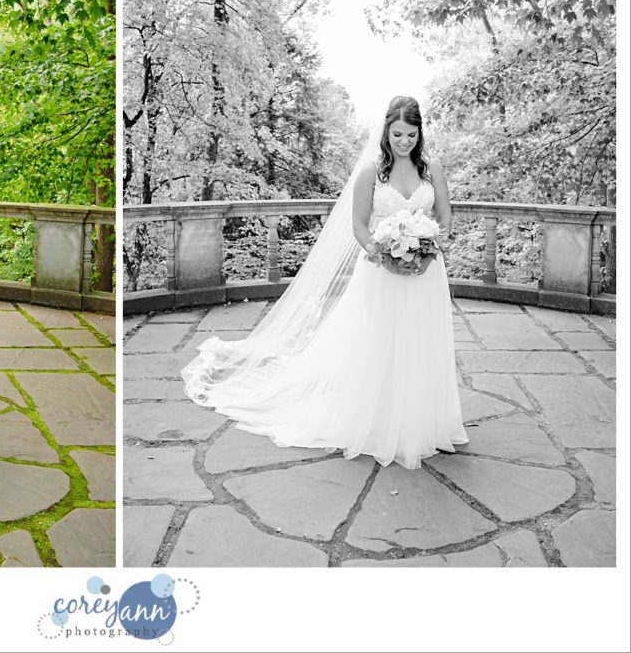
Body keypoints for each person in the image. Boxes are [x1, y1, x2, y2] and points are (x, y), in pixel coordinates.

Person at [181, 96, 468, 469]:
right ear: (386, 132)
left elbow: (444, 217)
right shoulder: (371, 173)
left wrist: (427, 249)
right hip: (381, 273)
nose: (404, 141)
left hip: (426, 275)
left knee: (422, 343)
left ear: (419, 133)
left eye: (411, 134)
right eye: (397, 134)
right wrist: (386, 254)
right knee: (381, 343)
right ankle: (379, 422)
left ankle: (427, 423)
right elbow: (359, 226)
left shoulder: (432, 169)